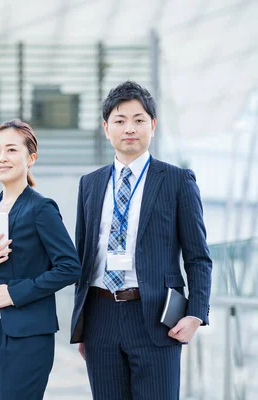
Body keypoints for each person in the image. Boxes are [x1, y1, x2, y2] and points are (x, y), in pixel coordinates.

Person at [70, 81, 212, 399]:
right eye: (120, 121)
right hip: (100, 317)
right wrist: (82, 325)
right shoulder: (89, 185)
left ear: (153, 125)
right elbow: (83, 256)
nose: (129, 128)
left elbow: (198, 257)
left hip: (155, 316)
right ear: (107, 129)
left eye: (139, 120)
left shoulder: (177, 180)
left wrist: (196, 312)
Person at [0, 119, 82, 400]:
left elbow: (70, 267)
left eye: (11, 150)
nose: (1, 158)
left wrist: (15, 293)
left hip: (28, 333)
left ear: (31, 158)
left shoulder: (41, 208)